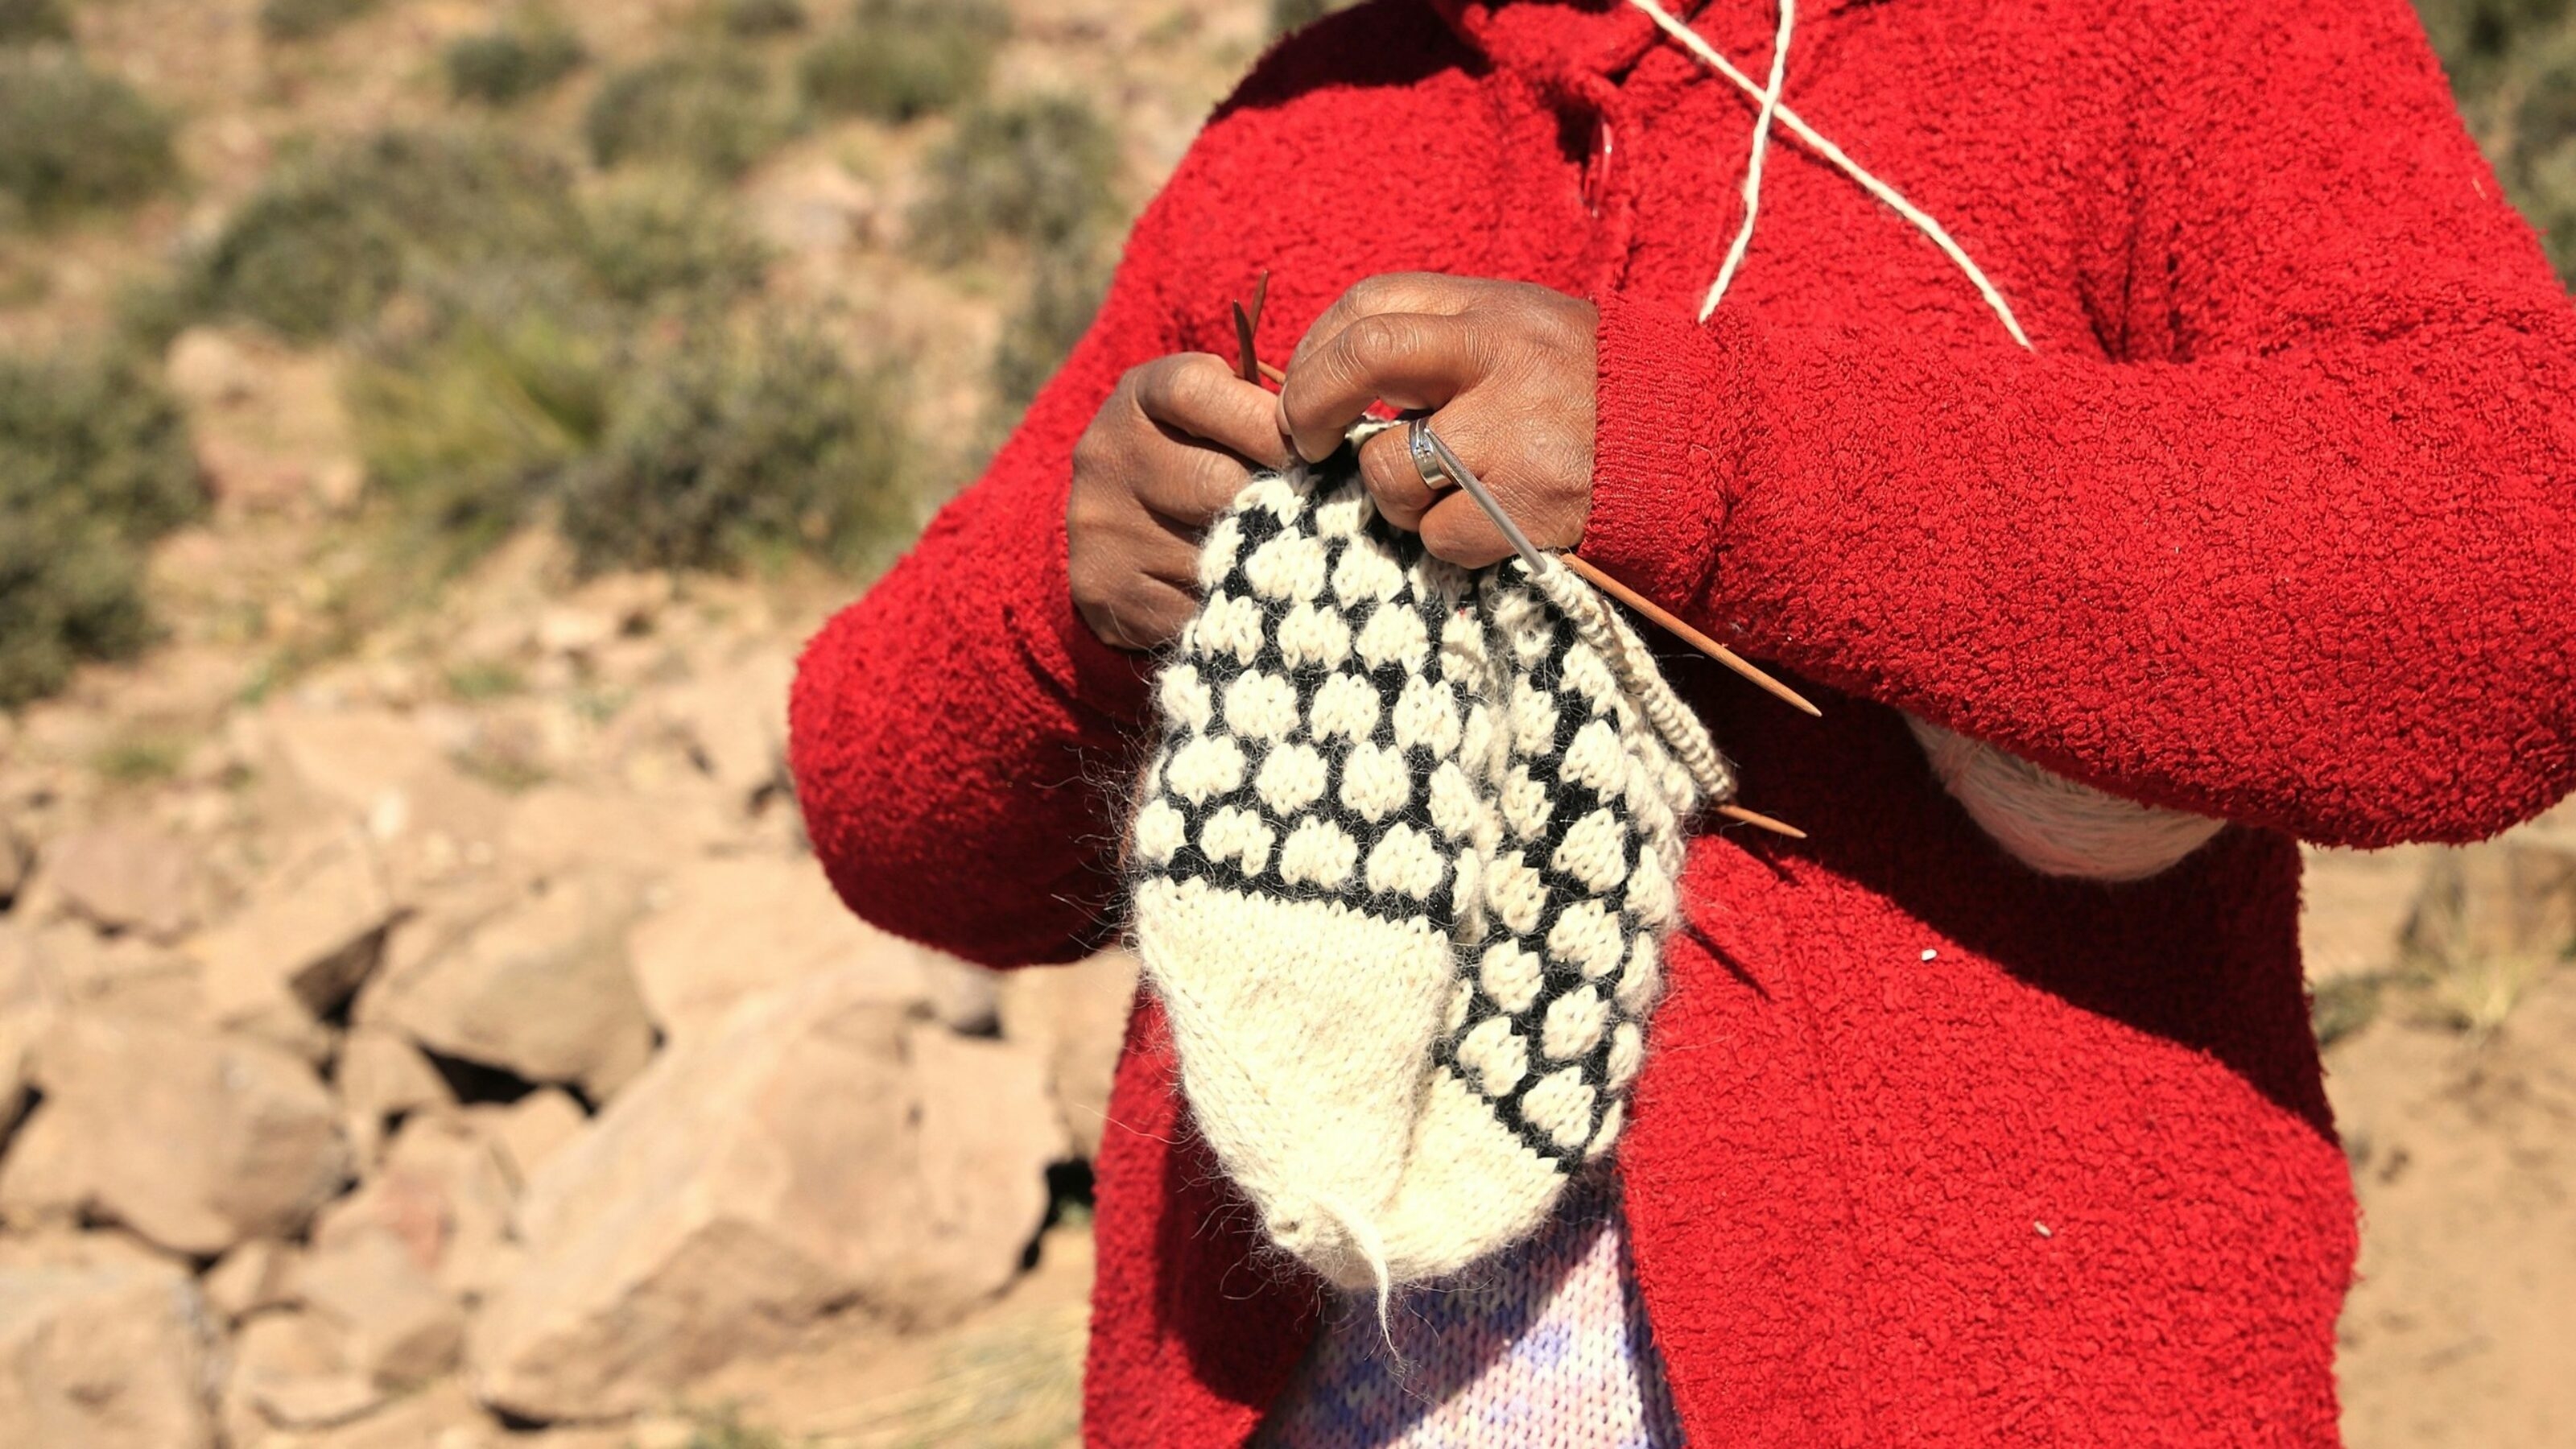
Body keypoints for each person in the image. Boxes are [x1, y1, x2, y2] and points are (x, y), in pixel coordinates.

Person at [787, 0, 2576, 1443]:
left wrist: (1698, 452)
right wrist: (1072, 602)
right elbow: (889, 820)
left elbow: (2514, 575)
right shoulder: (1312, 120)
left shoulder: (2165, 38)